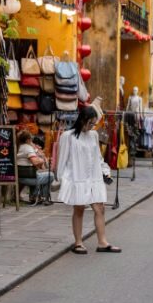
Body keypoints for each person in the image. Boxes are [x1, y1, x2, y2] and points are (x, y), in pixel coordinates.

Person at [57, 106, 121, 254]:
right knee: (79, 209)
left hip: (94, 177)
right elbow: (63, 159)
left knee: (100, 208)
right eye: (90, 123)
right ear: (83, 120)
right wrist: (61, 179)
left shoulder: (93, 135)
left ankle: (102, 242)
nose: (92, 126)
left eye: (94, 123)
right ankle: (78, 243)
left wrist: (105, 170)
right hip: (77, 177)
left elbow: (97, 156)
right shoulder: (68, 136)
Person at [16, 131, 56, 204]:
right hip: (28, 178)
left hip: (20, 176)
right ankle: (43, 197)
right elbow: (35, 162)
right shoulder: (28, 148)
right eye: (31, 139)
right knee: (50, 175)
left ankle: (34, 196)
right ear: (28, 140)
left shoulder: (18, 146)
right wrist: (42, 160)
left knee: (40, 173)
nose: (32, 140)